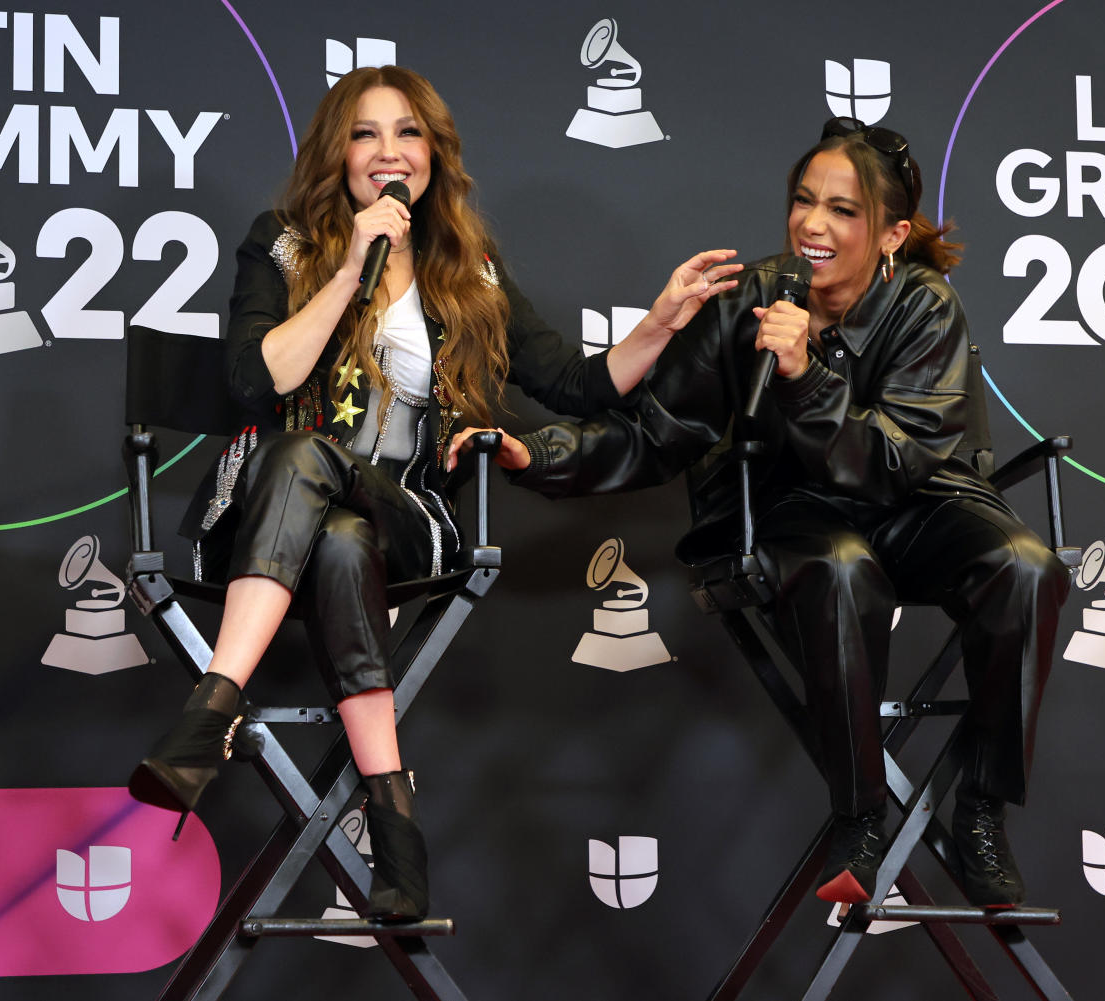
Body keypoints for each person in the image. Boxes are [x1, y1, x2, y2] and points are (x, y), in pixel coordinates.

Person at [126, 65, 741, 922]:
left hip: (407, 514)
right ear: (337, 155)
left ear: (433, 153)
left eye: (407, 133)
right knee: (325, 507)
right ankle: (395, 823)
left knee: (336, 496)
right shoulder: (285, 242)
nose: (389, 152)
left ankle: (212, 707)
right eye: (367, 134)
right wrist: (347, 272)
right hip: (269, 514)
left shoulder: (468, 264)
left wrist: (661, 323)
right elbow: (256, 385)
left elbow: (573, 380)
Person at [450, 117, 1070, 909]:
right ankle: (861, 816)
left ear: (892, 233)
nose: (813, 223)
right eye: (804, 201)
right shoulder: (749, 300)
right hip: (797, 511)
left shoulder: (926, 307)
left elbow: (892, 464)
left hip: (917, 501)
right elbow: (656, 435)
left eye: (843, 210)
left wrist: (805, 374)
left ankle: (980, 810)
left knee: (1025, 564)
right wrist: (537, 455)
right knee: (841, 568)